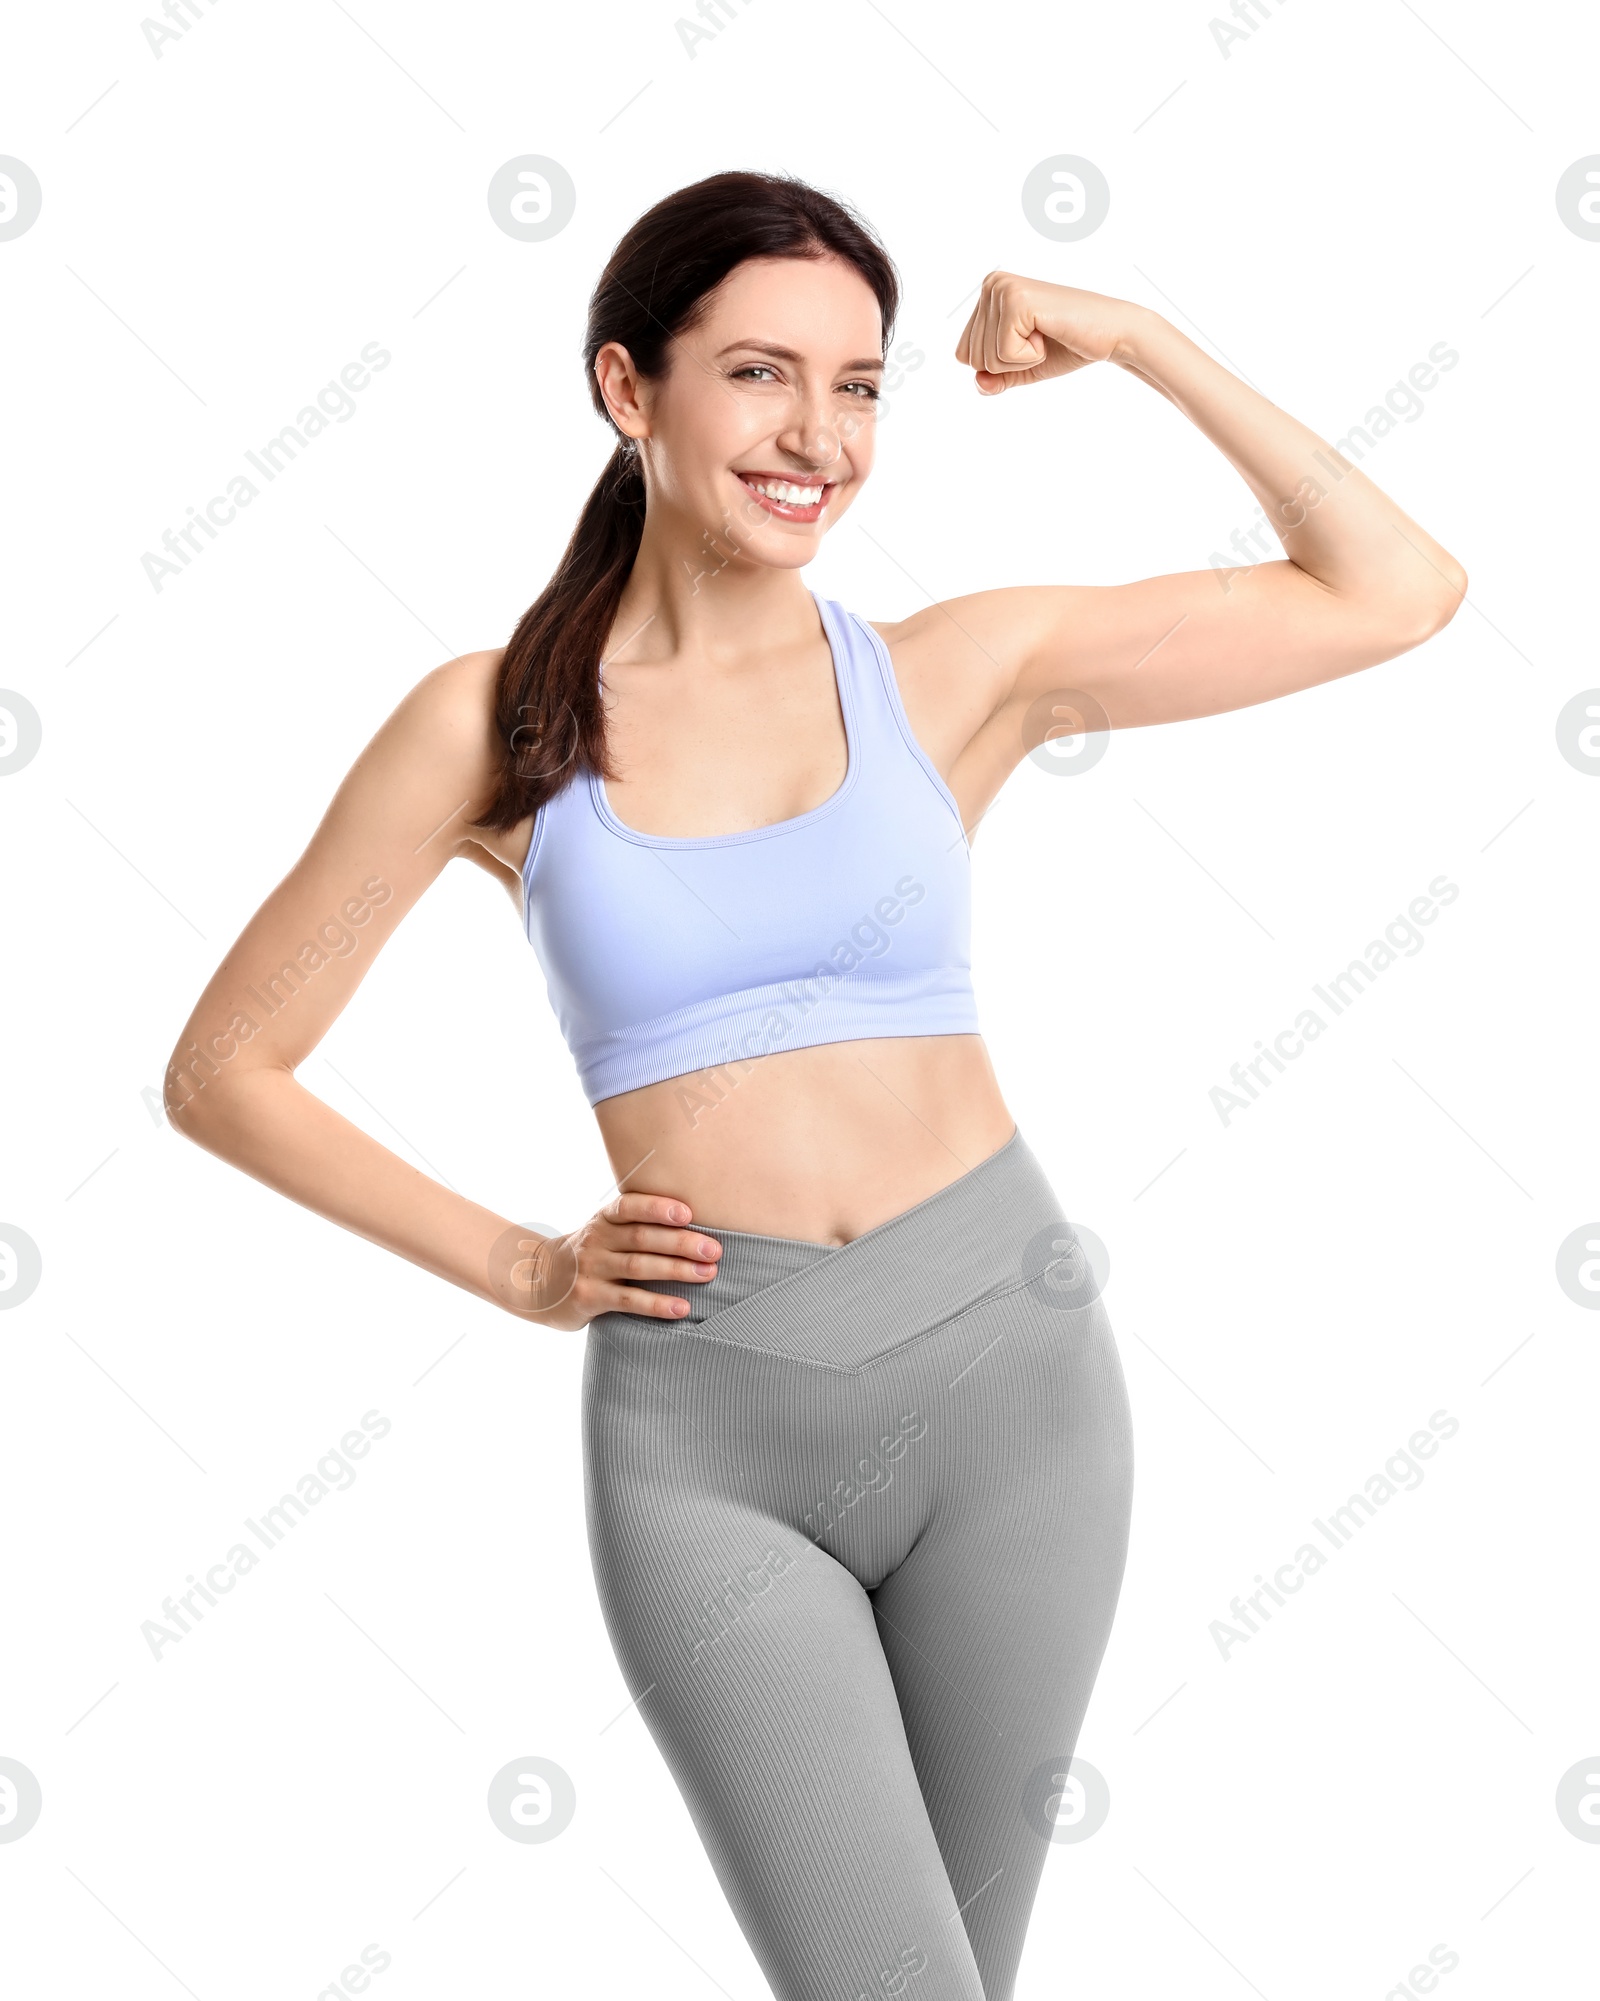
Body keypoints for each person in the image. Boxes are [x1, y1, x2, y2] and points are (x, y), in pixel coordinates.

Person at [164, 170, 1465, 2001]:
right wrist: (523, 1266)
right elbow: (227, 1068)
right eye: (762, 374)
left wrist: (1145, 340)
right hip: (712, 1440)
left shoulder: (960, 673)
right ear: (630, 388)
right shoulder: (495, 726)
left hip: (1016, 1395)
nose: (818, 435)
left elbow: (1398, 591)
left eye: (859, 386)